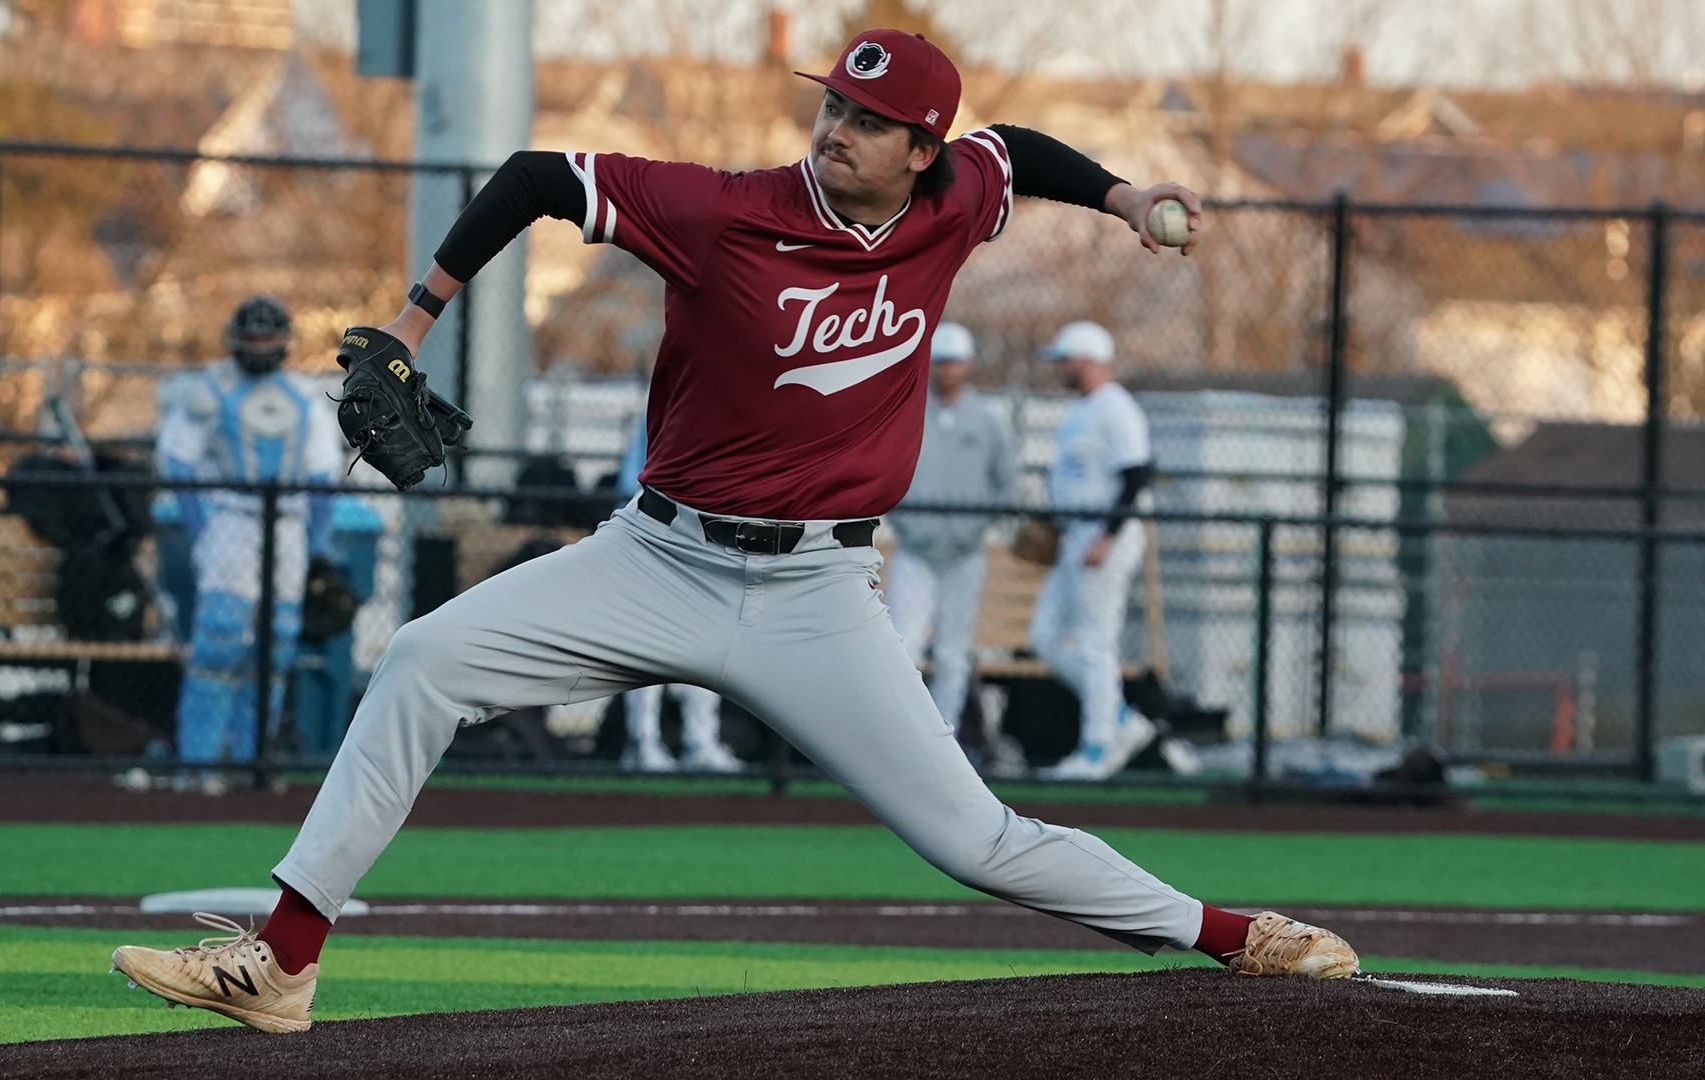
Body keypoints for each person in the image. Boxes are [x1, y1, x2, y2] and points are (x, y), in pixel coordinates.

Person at [111, 29, 1359, 1033]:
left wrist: (1126, 194)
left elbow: (1012, 153)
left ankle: (1236, 936)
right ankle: (282, 961)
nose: (837, 131)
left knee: (977, 841)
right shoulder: (722, 212)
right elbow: (542, 175)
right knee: (424, 659)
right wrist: (416, 316)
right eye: (833, 107)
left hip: (819, 593)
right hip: (657, 556)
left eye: (870, 122)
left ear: (920, 150)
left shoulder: (949, 205)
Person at [154, 296, 343, 795]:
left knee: (276, 645)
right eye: (251, 338)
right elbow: (176, 461)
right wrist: (201, 530)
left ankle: (253, 761)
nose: (259, 347)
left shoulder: (305, 395)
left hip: (287, 526)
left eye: (268, 338)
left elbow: (322, 474)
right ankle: (198, 764)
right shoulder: (209, 391)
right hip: (231, 520)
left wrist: (318, 541)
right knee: (219, 638)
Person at [1026, 320, 1159, 782]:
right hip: (1076, 533)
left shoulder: (1115, 407)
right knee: (1044, 636)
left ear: (1086, 359)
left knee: (1094, 644)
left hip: (1103, 534)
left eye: (1064, 359)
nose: (1059, 367)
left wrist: (1108, 534)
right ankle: (1120, 720)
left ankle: (1096, 749)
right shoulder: (1084, 410)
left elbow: (1138, 473)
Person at [883, 321, 1015, 739]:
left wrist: (973, 528)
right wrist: (906, 523)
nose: (947, 370)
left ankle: (945, 738)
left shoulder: (988, 422)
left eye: (955, 362)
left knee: (954, 653)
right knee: (904, 646)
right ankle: (906, 736)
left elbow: (1006, 484)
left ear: (969, 364)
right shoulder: (907, 412)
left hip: (965, 554)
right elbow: (885, 472)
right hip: (915, 550)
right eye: (940, 361)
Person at [614, 409, 746, 774]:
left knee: (706, 645)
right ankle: (642, 743)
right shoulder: (660, 410)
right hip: (651, 540)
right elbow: (630, 484)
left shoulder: (724, 414)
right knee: (645, 647)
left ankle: (700, 743)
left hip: (703, 545)